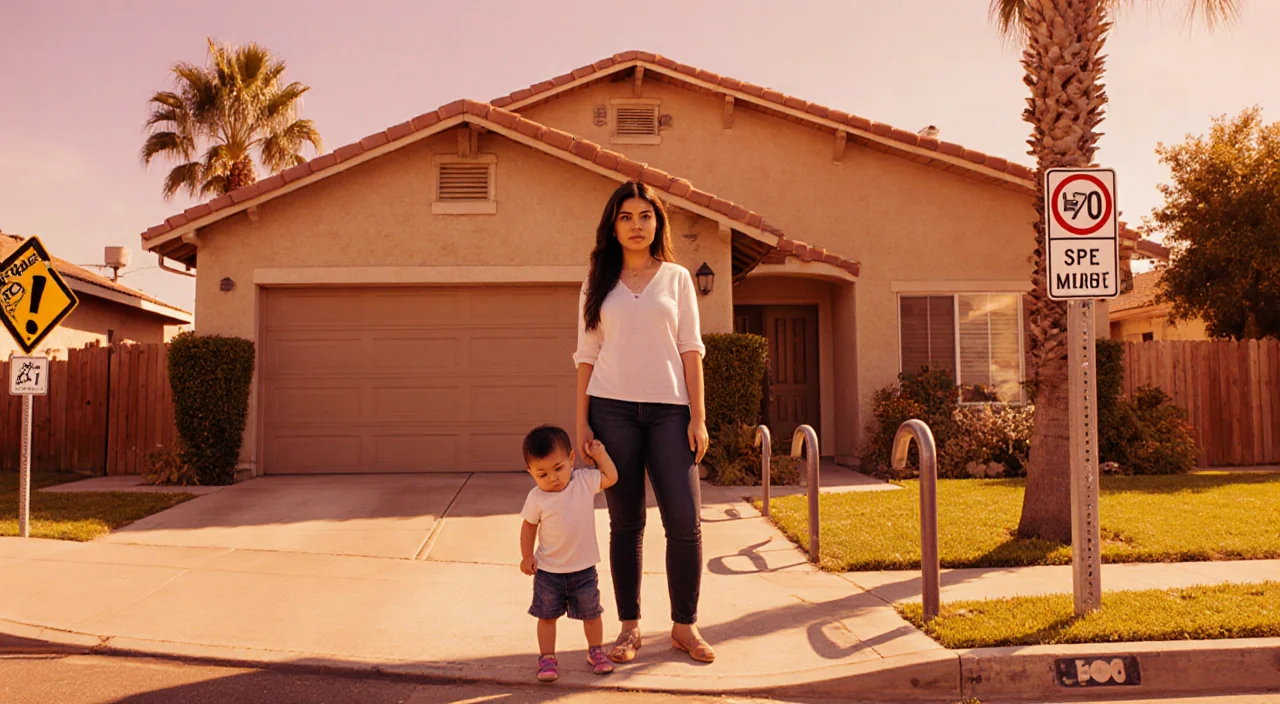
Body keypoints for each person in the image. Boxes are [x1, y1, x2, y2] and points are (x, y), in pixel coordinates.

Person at [573, 180, 716, 664]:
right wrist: (582, 423)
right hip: (610, 411)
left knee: (684, 521)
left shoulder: (676, 278)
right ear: (613, 227)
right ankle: (629, 627)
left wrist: (698, 417)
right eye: (627, 217)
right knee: (625, 522)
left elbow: (691, 349)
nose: (637, 226)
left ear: (658, 224)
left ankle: (684, 626)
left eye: (645, 216)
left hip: (669, 413)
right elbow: (586, 355)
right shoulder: (597, 282)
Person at [519, 424, 619, 682]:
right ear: (531, 472)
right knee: (546, 616)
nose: (552, 478)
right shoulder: (537, 497)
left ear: (571, 459)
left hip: (584, 569)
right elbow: (528, 527)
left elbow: (611, 476)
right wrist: (526, 556)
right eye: (542, 474)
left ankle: (596, 651)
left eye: (558, 468)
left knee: (592, 613)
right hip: (548, 572)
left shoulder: (584, 481)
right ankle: (547, 658)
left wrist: (601, 455)